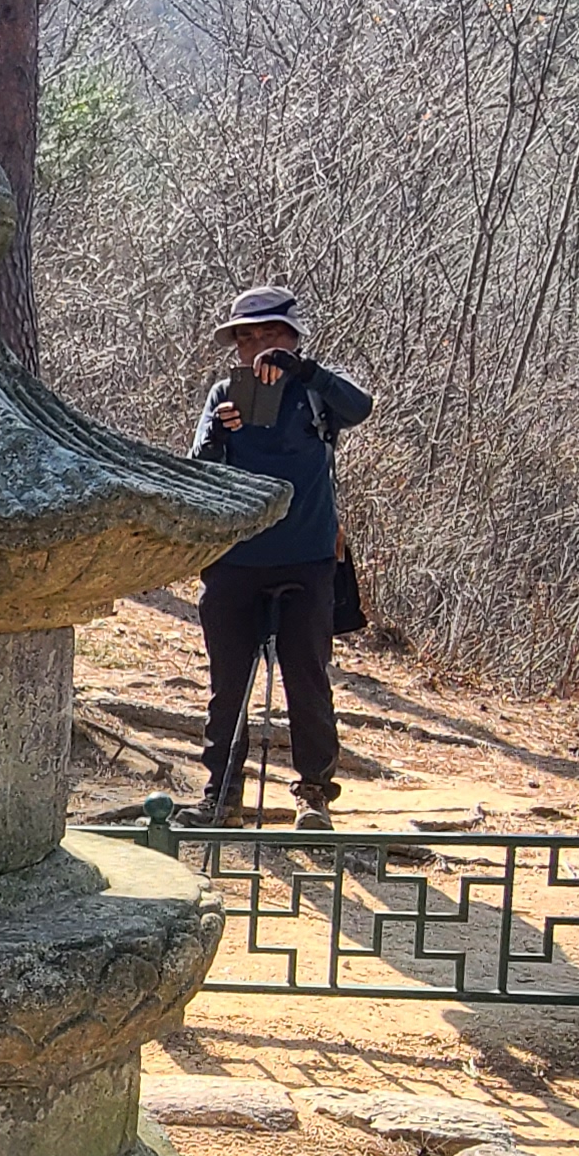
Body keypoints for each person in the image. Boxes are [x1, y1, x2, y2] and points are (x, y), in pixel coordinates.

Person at [187, 285, 374, 826]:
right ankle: (221, 796)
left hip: (307, 557)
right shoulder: (225, 393)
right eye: (247, 337)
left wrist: (305, 371)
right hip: (234, 559)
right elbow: (199, 469)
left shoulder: (317, 391)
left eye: (272, 334)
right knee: (228, 686)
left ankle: (314, 795)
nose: (259, 346)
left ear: (294, 338)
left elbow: (361, 407)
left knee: (307, 679)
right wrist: (218, 434)